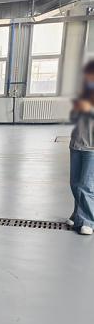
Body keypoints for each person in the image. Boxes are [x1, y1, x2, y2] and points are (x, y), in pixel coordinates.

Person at [67, 60, 94, 235]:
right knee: (75, 183)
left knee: (86, 185)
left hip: (92, 147)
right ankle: (77, 215)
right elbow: (73, 118)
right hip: (77, 143)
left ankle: (87, 221)